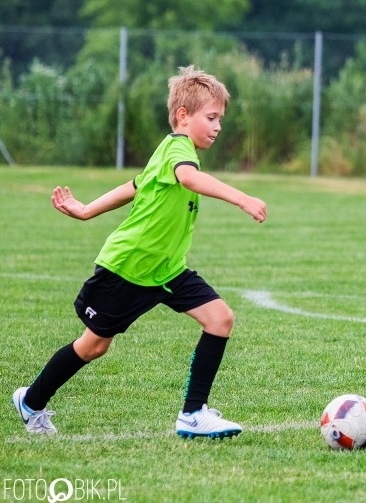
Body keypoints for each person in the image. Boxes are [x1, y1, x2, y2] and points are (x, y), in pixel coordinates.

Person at [12, 65, 267, 439]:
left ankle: (193, 414)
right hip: (129, 267)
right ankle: (31, 401)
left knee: (220, 319)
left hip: (166, 270)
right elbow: (188, 177)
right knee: (93, 345)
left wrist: (86, 210)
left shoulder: (169, 151)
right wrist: (242, 198)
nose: (217, 127)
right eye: (211, 118)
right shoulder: (179, 151)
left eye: (220, 119)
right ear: (183, 116)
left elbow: (133, 186)